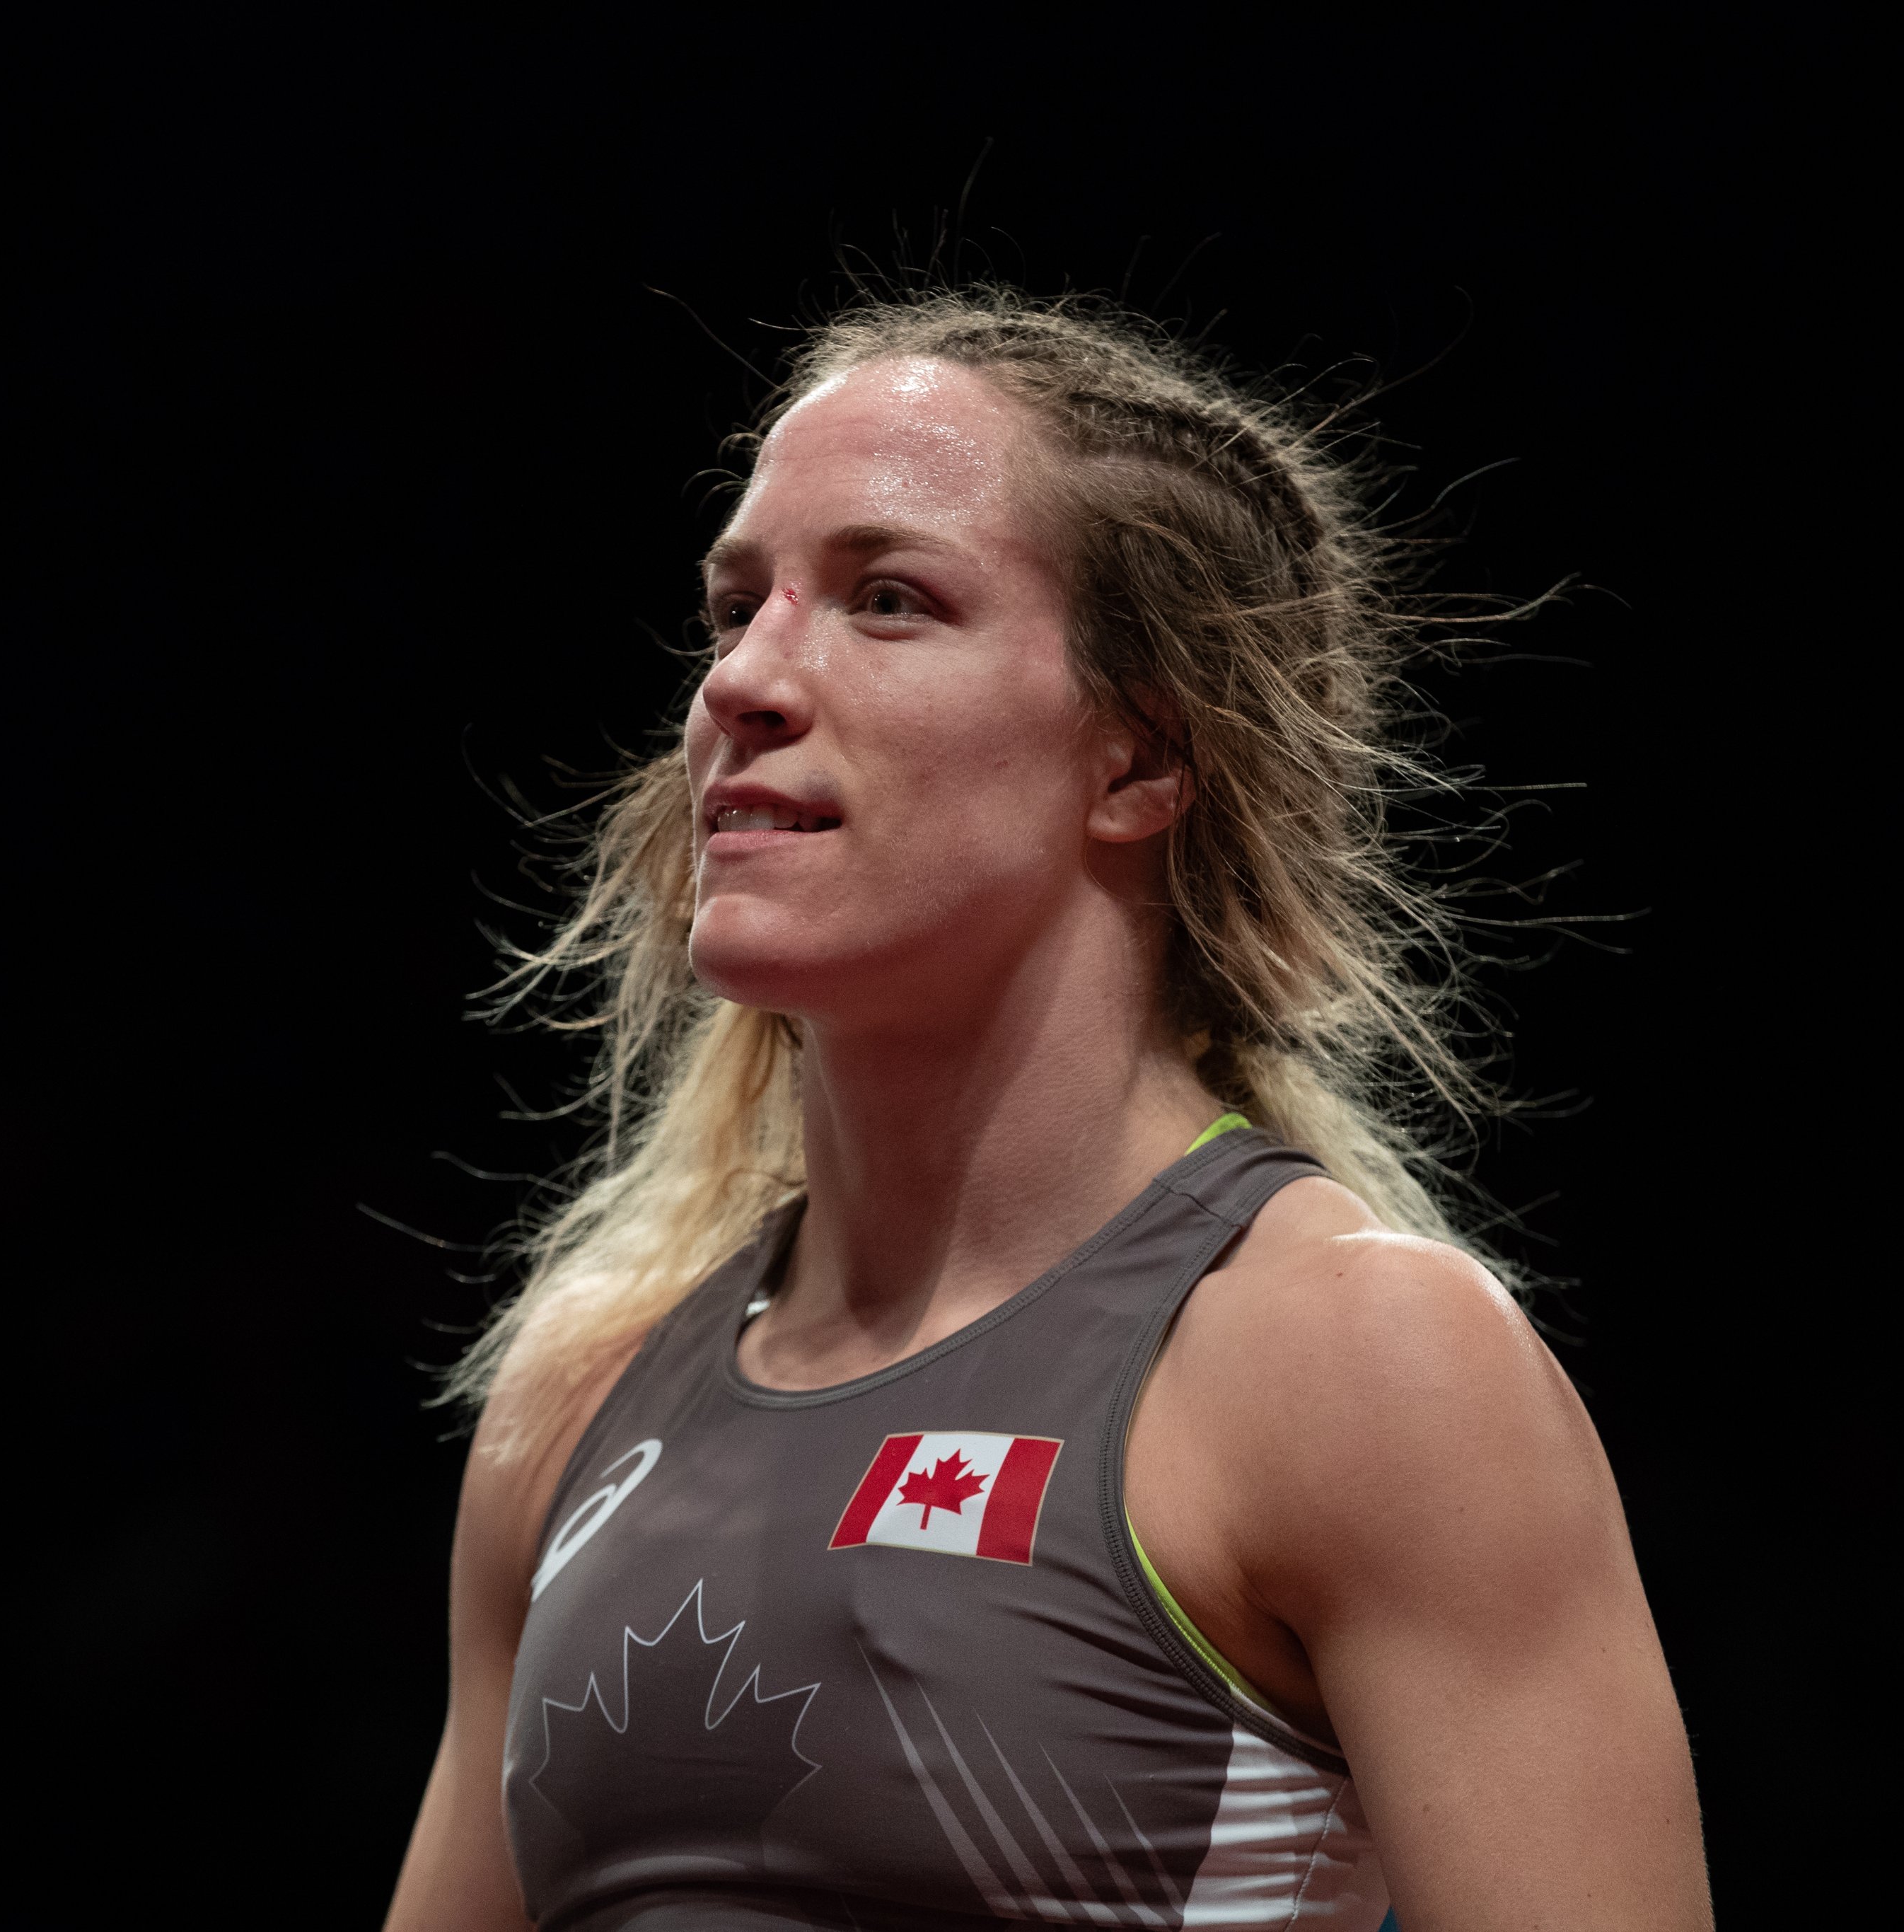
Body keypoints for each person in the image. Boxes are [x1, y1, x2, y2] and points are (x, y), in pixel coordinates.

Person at [387, 290, 1710, 1931]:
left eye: (884, 599)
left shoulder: (1356, 1363)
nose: (742, 678)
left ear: (1136, 761)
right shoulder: (578, 1393)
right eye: (734, 608)